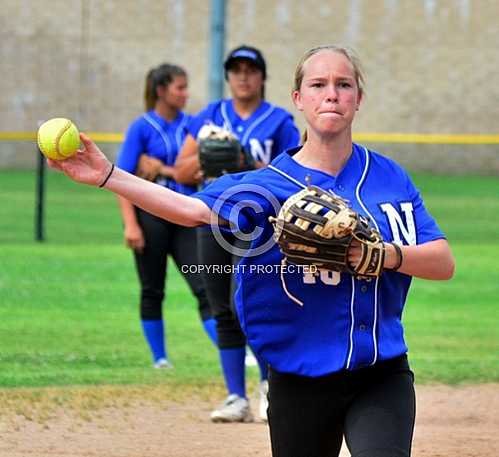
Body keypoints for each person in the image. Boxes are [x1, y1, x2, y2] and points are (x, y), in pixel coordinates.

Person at [49, 45, 455, 457]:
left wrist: (385, 255)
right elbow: (190, 210)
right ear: (299, 99)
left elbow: (442, 261)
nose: (331, 94)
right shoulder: (267, 184)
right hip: (299, 376)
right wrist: (108, 175)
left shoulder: (389, 178)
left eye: (343, 84)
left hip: (380, 372)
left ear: (358, 98)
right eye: (318, 84)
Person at [174, 45, 300, 422]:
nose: (243, 76)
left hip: (259, 222)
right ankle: (235, 397)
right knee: (222, 308)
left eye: (251, 69)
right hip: (213, 220)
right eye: (236, 69)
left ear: (262, 76)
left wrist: (246, 162)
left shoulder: (279, 120)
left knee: (253, 305)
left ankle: (269, 390)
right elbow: (180, 172)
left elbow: (293, 172)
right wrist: (206, 160)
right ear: (228, 76)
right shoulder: (211, 116)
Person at [115, 63, 217, 369]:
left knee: (204, 286)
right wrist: (131, 225)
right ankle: (160, 359)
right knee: (152, 288)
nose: (186, 93)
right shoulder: (142, 127)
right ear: (161, 91)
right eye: (180, 87)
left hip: (186, 215)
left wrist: (161, 169)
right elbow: (122, 180)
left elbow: (197, 173)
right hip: (150, 219)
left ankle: (236, 352)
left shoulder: (194, 125)